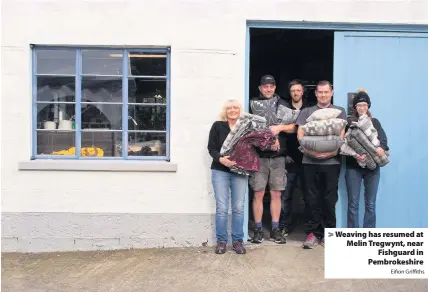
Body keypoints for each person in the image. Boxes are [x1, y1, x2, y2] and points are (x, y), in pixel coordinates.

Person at [296, 80, 347, 249]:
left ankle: (328, 233)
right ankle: (312, 233)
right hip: (309, 161)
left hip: (332, 162)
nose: (323, 95)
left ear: (331, 92)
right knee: (311, 198)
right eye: (320, 92)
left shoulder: (339, 112)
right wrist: (312, 152)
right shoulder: (307, 111)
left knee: (329, 198)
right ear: (316, 93)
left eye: (326, 92)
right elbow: (300, 134)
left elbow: (341, 135)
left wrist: (331, 152)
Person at [249, 75, 295, 244]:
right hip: (259, 156)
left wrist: (279, 128)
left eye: (271, 86)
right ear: (260, 88)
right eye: (265, 86)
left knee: (276, 193)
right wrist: (268, 136)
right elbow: (249, 128)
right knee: (258, 193)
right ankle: (259, 230)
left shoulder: (282, 104)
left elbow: (294, 127)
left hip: (278, 157)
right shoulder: (253, 104)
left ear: (275, 87)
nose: (268, 89)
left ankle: (275, 229)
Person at [208, 99, 248, 255]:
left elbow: (251, 147)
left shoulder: (245, 127)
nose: (232, 110)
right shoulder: (218, 126)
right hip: (220, 170)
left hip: (240, 171)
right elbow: (211, 148)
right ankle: (221, 242)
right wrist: (221, 159)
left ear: (239, 110)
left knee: (238, 208)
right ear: (225, 111)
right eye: (229, 108)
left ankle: (238, 241)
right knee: (222, 208)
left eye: (235, 107)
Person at [346, 89, 389, 228]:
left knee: (370, 204)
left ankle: (368, 235)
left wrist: (382, 147)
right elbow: (344, 143)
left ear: (368, 106)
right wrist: (355, 154)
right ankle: (352, 238)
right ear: (355, 107)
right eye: (359, 105)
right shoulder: (349, 123)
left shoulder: (374, 122)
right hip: (353, 167)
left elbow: (383, 140)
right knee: (353, 204)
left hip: (373, 168)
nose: (362, 108)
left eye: (364, 105)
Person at [279, 79, 311, 236]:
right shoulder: (284, 109)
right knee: (286, 195)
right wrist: (284, 154)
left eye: (298, 90)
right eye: (293, 91)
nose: (295, 93)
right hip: (289, 159)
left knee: (309, 194)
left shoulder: (310, 108)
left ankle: (310, 227)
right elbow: (278, 133)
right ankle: (285, 225)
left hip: (307, 159)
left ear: (303, 91)